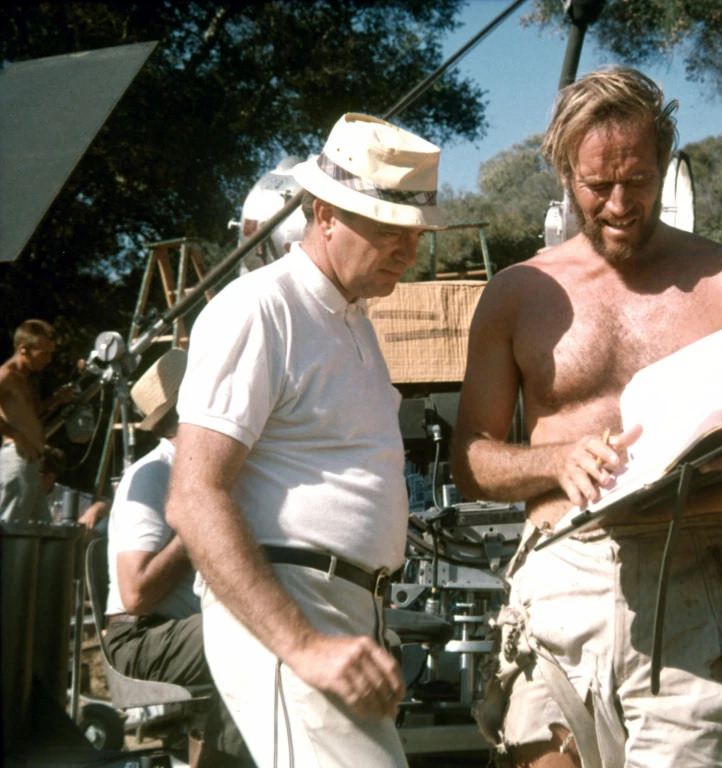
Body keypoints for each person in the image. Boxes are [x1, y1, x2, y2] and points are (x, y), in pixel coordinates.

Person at [450, 67, 722, 768]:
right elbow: (471, 462)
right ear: (563, 171)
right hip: (558, 571)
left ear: (666, 164)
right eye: (598, 186)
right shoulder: (518, 293)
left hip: (689, 579)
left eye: (640, 180)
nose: (621, 204)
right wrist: (553, 460)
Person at [166, 113, 445, 767]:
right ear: (323, 214)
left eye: (414, 234)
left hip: (344, 609)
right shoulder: (260, 309)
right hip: (288, 606)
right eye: (385, 229)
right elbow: (193, 496)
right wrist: (302, 643)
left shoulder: (353, 326)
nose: (407, 250)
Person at [103, 348, 252, 766]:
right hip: (142, 638)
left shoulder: (218, 471)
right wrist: (201, 523)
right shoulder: (154, 474)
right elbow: (135, 593)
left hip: (186, 628)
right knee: (255, 638)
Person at [0, 319, 74, 522]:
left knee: (40, 530)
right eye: (45, 353)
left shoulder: (27, 378)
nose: (49, 359)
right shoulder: (6, 375)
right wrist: (18, 437)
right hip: (17, 458)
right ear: (24, 349)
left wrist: (57, 399)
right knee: (11, 530)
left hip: (33, 463)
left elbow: (33, 415)